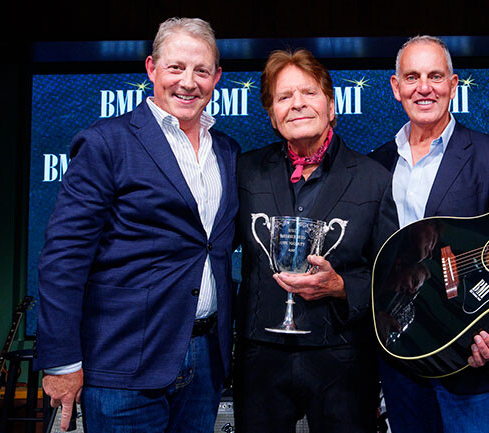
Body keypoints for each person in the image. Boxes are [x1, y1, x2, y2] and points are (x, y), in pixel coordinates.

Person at [33, 17, 239, 432]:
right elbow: (63, 259)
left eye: (201, 70)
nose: (188, 81)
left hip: (205, 361)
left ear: (217, 77)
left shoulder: (228, 151)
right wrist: (61, 361)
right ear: (151, 69)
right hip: (122, 365)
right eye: (176, 67)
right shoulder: (106, 141)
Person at [370, 35, 489, 433]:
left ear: (454, 85)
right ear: (395, 87)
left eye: (435, 76)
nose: (424, 87)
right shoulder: (376, 164)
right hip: (400, 356)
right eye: (412, 77)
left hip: (470, 355)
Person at [233, 48, 397, 433]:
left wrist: (342, 287)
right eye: (284, 97)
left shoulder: (374, 178)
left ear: (332, 105)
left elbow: (391, 275)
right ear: (272, 116)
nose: (297, 104)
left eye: (308, 92)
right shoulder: (245, 172)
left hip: (342, 359)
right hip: (262, 360)